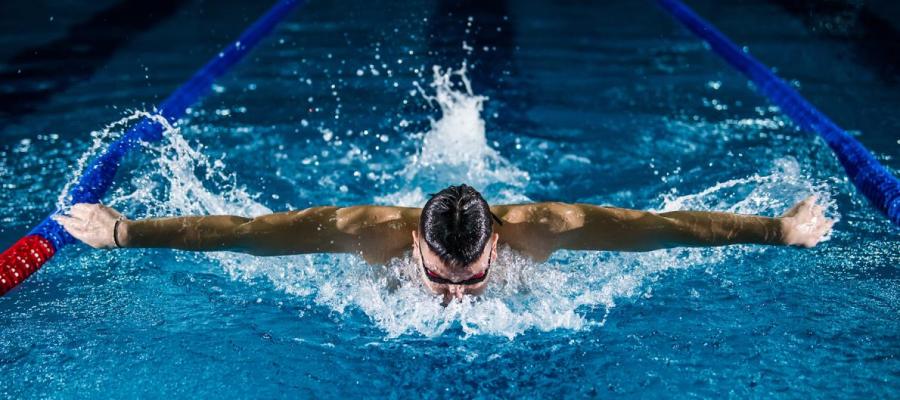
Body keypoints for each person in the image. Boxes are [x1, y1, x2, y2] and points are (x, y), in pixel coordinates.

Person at [53, 184, 833, 303]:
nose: (455, 295)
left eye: (470, 277)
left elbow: (666, 229)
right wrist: (123, 232)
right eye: (440, 275)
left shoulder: (547, 228)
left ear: (498, 238)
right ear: (415, 246)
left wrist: (778, 230)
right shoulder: (366, 234)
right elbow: (248, 236)